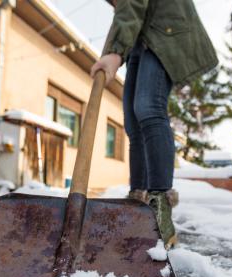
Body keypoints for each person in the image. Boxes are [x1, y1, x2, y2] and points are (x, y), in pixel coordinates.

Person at [91, 0, 218, 250]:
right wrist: (115, 50)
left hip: (166, 29)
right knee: (133, 122)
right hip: (142, 36)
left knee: (148, 108)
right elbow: (125, 9)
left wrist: (115, 51)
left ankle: (160, 208)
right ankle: (137, 202)